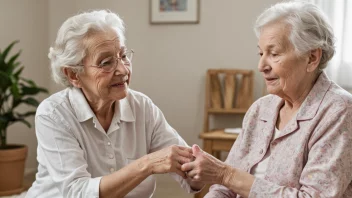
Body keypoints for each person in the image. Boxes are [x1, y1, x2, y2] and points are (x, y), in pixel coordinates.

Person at [181, 1, 352, 197]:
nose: (261, 65)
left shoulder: (338, 110)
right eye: (261, 53)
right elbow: (223, 188)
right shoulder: (261, 109)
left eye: (274, 54)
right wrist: (224, 180)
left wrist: (226, 174)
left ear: (312, 58)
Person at [26, 10, 204, 198]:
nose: (122, 69)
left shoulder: (142, 107)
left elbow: (191, 173)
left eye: (124, 56)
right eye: (106, 62)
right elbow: (76, 192)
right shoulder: (53, 114)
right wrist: (147, 164)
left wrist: (198, 170)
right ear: (73, 74)